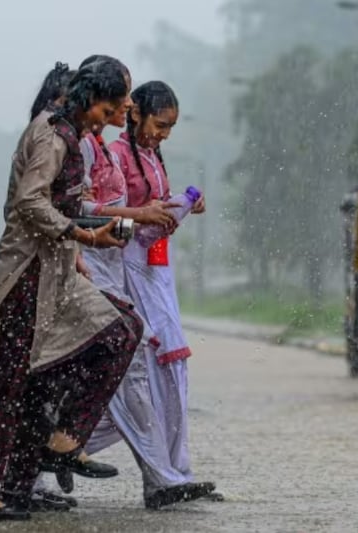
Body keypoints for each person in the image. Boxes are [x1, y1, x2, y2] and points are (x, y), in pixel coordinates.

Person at [0, 59, 142, 522]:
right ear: (87, 99)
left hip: (56, 270)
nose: (112, 115)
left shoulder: (73, 135)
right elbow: (28, 201)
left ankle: (56, 448)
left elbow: (63, 203)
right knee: (12, 378)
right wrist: (83, 237)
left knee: (118, 331)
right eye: (109, 106)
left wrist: (83, 239)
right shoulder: (53, 134)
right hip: (27, 274)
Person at [107, 81, 219, 507]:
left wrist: (178, 205)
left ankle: (175, 472)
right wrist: (142, 218)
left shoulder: (152, 156)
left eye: (170, 127)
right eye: (160, 124)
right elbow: (103, 221)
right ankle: (163, 476)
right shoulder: (114, 158)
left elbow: (152, 213)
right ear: (134, 113)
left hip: (157, 272)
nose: (164, 134)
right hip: (126, 271)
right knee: (139, 378)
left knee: (171, 374)